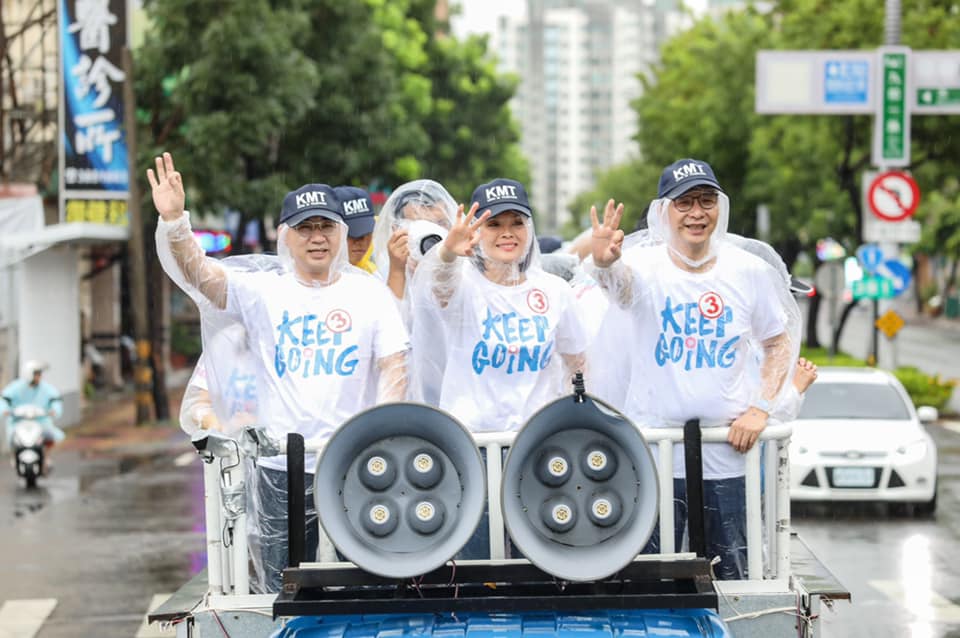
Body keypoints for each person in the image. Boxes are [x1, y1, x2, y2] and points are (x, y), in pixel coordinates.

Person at [148, 152, 409, 592]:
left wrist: (376, 436)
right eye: (304, 228)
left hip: (356, 466)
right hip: (280, 470)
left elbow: (394, 369)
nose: (317, 238)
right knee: (286, 591)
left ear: (341, 234)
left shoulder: (369, 294)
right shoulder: (263, 292)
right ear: (285, 237)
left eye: (326, 227)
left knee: (365, 588)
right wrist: (175, 222)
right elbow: (199, 273)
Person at [588, 158, 797, 580]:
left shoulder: (748, 271)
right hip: (656, 455)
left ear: (720, 207)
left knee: (734, 577)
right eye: (684, 203)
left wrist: (760, 409)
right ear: (664, 212)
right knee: (651, 579)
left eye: (706, 201)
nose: (696, 213)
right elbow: (620, 289)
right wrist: (606, 263)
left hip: (728, 456)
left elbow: (778, 343)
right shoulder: (644, 269)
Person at [410, 178, 589, 558]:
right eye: (494, 224)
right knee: (478, 562)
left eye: (516, 223)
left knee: (542, 556)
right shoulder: (462, 284)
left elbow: (577, 360)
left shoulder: (555, 290)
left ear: (530, 228)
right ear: (477, 230)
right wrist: (446, 254)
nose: (507, 234)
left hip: (537, 445)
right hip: (473, 445)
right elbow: (437, 290)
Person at [2, 360, 64, 459]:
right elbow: (4, 398)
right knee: (13, 437)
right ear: (29, 374)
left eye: (39, 374)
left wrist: (54, 410)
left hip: (40, 420)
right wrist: (5, 410)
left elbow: (55, 399)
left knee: (49, 436)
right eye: (37, 374)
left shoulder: (45, 388)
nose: (39, 377)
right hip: (18, 420)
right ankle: (14, 456)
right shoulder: (16, 387)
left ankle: (46, 456)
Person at [334, 186, 377, 274]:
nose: (362, 241)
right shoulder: (311, 281)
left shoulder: (373, 273)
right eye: (351, 233)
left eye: (368, 231)